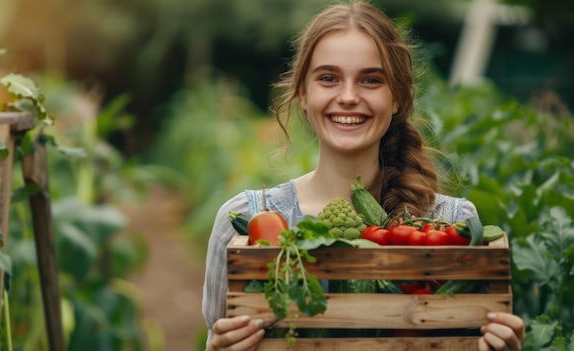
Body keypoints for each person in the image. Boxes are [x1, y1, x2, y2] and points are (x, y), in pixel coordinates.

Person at [202, 0, 526, 350]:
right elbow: (217, 337)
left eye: (371, 80)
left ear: (398, 98)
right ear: (303, 94)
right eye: (328, 78)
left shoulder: (453, 222)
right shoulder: (245, 219)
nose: (348, 96)